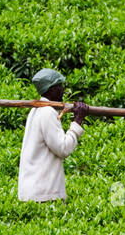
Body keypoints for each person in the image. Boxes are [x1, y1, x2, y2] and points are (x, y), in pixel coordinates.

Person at [18, 68, 88, 202]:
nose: (62, 90)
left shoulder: (36, 110)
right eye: (59, 86)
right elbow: (63, 148)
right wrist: (77, 121)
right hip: (43, 194)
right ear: (50, 89)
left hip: (34, 191)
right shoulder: (47, 112)